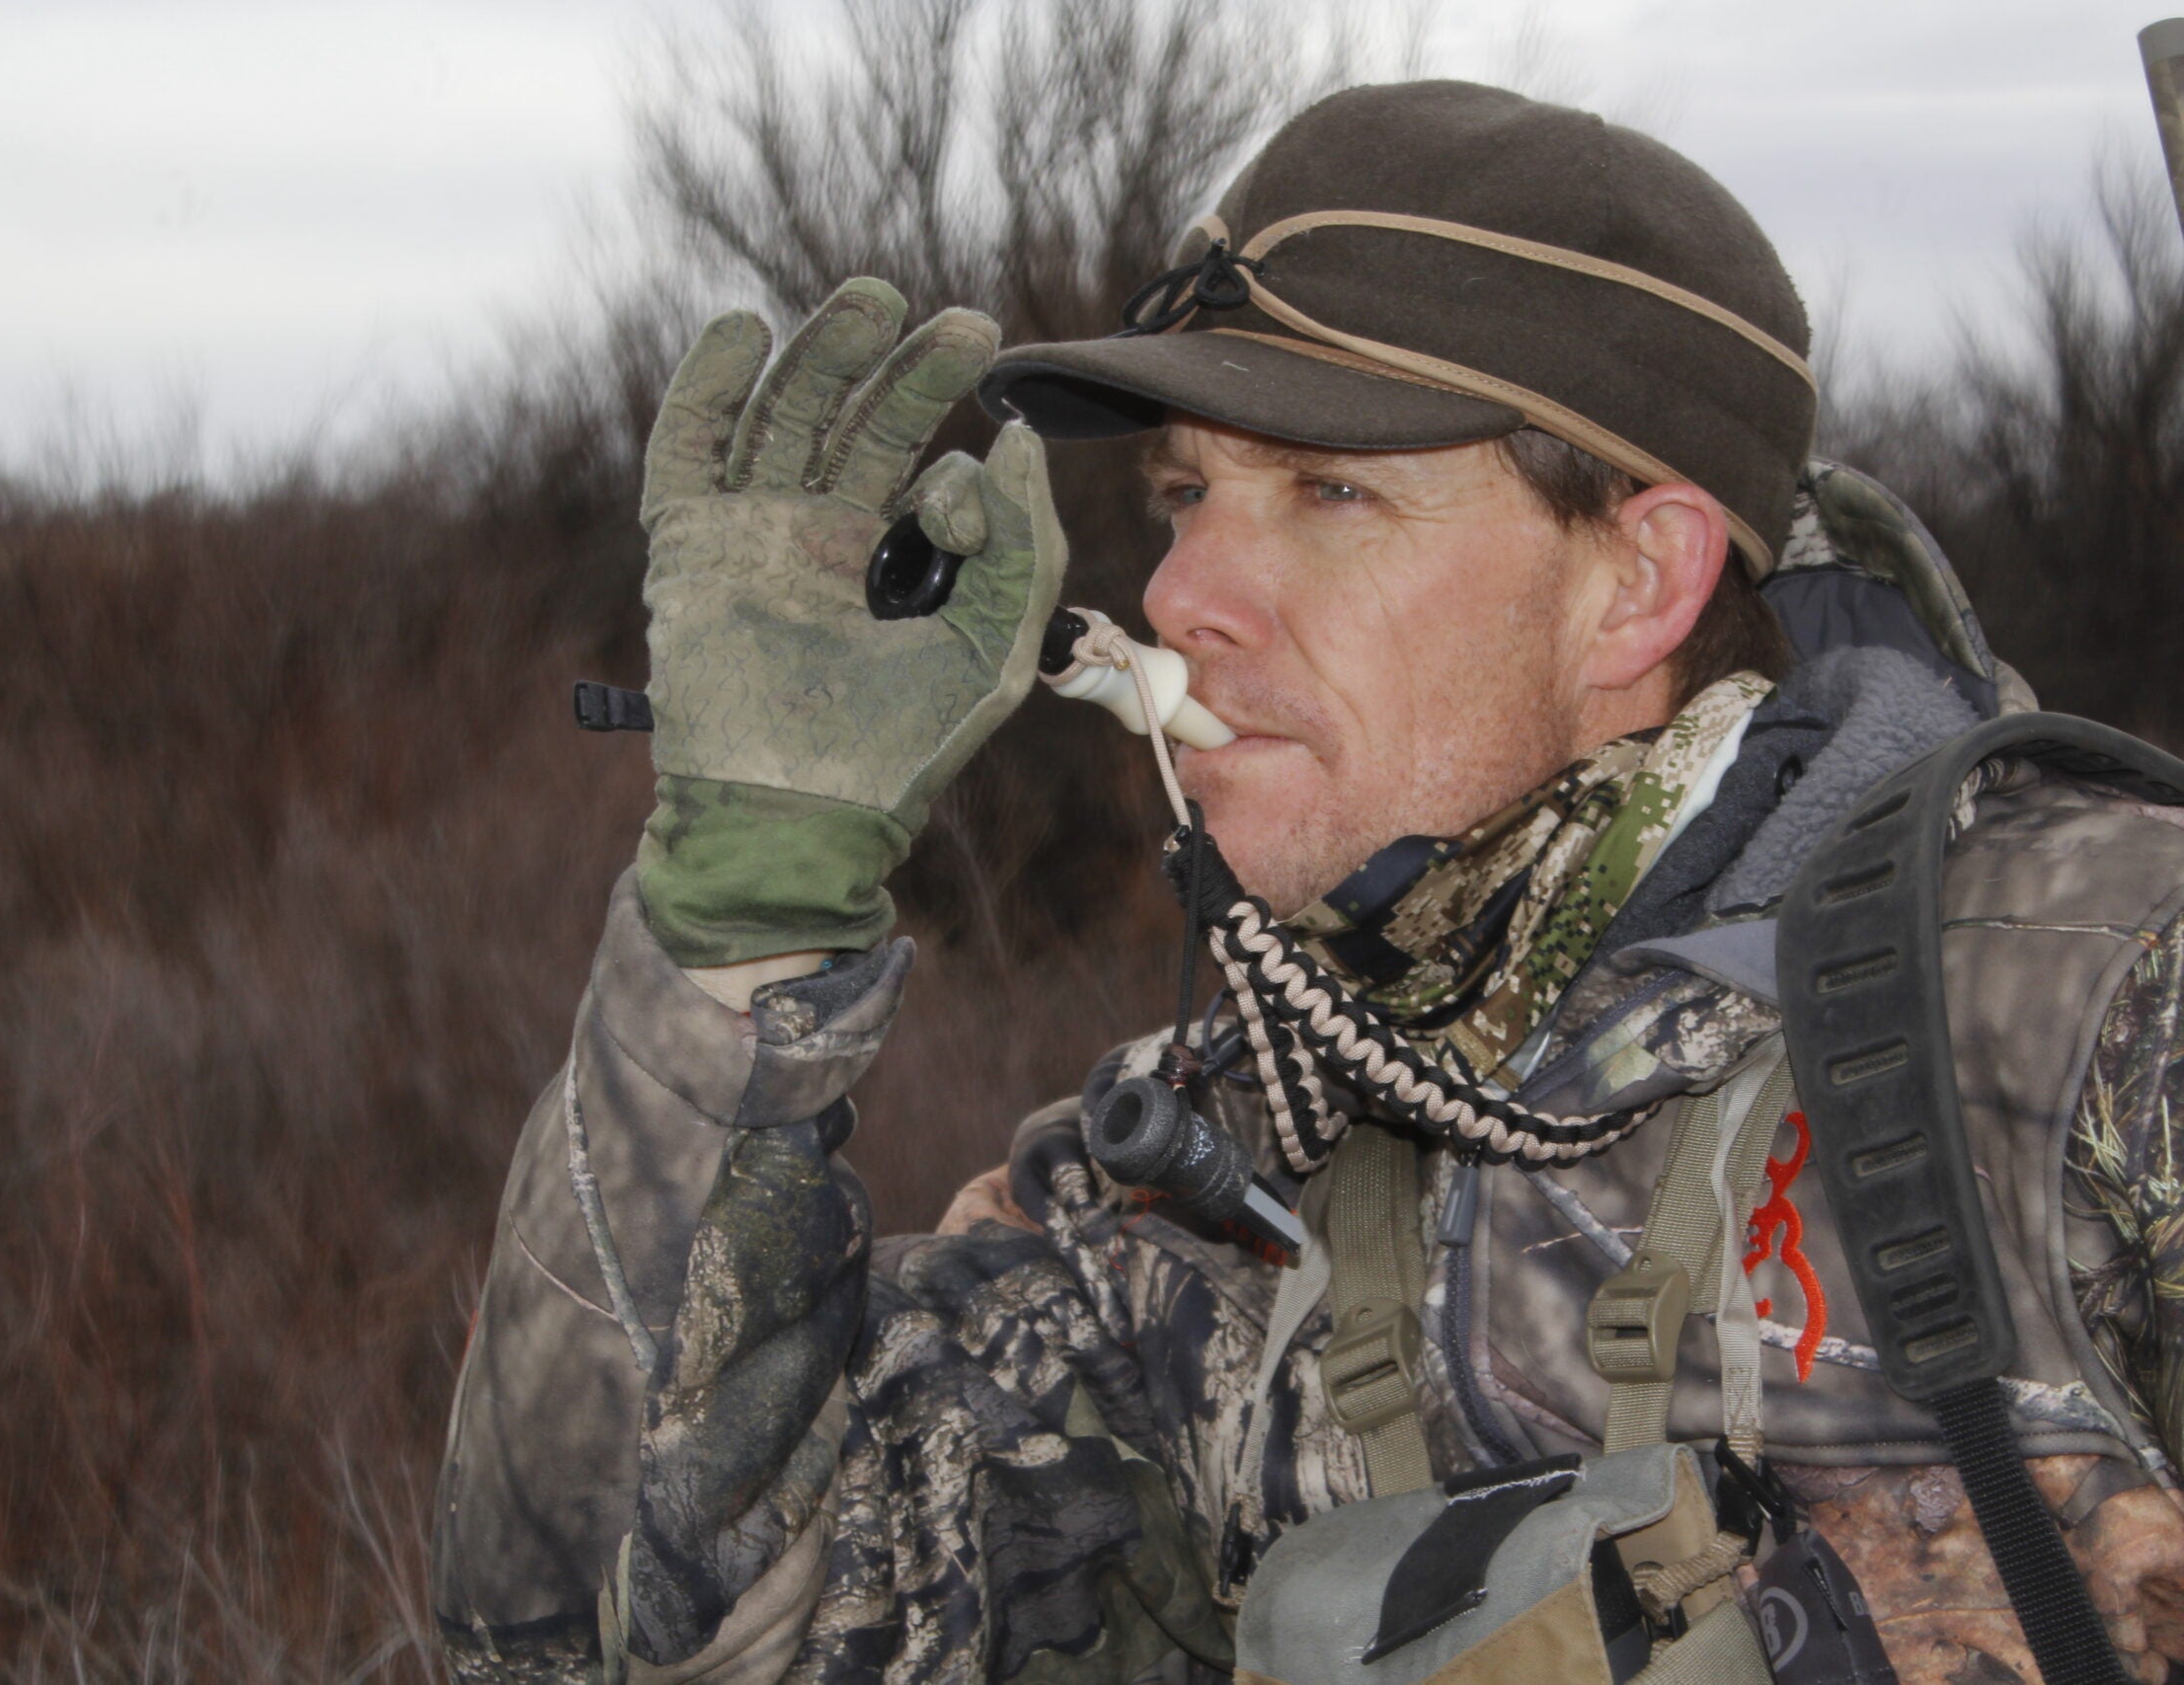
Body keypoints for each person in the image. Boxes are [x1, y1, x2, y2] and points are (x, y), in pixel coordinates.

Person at [431, 81, 2184, 1685]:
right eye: (1188, 492)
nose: (1188, 588)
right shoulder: (1191, 1191)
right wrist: (744, 931)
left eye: (1331, 489)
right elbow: (610, 1649)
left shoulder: (2100, 1002)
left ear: (1638, 580)